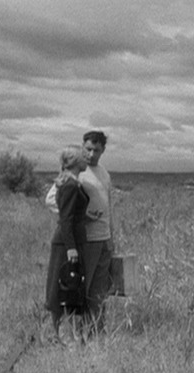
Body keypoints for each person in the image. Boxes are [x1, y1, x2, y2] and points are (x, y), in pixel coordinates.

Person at [45, 145, 89, 343]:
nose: (87, 158)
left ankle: (59, 333)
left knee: (65, 284)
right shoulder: (71, 185)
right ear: (75, 162)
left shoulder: (71, 183)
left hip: (68, 240)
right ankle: (60, 334)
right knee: (64, 285)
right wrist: (71, 247)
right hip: (66, 242)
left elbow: (69, 213)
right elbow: (66, 218)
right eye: (83, 156)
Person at [79, 130, 114, 335]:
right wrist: (82, 215)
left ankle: (97, 331)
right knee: (83, 286)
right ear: (82, 147)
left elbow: (109, 207)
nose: (91, 154)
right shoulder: (77, 171)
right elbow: (54, 201)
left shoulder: (104, 173)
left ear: (103, 151)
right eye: (88, 149)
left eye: (96, 150)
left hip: (103, 238)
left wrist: (112, 238)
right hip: (87, 238)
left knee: (100, 290)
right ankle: (78, 332)